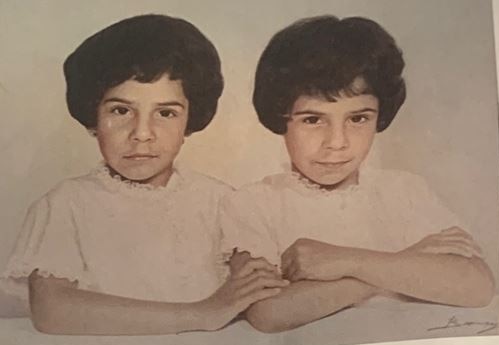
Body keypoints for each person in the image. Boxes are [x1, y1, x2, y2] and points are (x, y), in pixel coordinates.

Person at [0, 14, 287, 335]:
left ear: (189, 121)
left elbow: (261, 295)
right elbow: (52, 312)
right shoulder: (65, 204)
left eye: (165, 113)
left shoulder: (221, 201)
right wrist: (201, 314)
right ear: (93, 117)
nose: (142, 133)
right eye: (120, 110)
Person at [220, 16, 495, 333]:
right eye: (313, 120)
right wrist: (406, 262)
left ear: (380, 115)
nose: (336, 142)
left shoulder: (403, 190)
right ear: (281, 119)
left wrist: (347, 261)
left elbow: (478, 285)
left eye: (358, 118)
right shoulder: (253, 204)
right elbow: (268, 313)